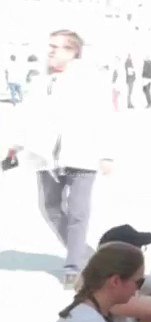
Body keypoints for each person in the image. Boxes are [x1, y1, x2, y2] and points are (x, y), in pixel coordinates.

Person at [6, 30, 116, 286]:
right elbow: (26, 116)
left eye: (58, 47)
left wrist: (107, 154)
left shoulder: (91, 79)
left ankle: (73, 265)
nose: (51, 51)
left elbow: (104, 117)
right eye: (50, 46)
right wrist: (16, 145)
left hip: (81, 153)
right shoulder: (39, 81)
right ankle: (81, 251)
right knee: (50, 207)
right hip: (45, 155)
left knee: (78, 212)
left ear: (73, 51)